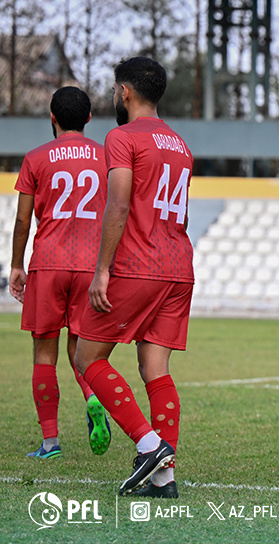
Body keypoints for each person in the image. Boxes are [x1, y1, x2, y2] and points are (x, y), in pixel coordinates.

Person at [73, 57, 194, 500]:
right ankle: (165, 479)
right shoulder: (181, 144)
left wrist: (102, 268)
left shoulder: (121, 136)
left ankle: (149, 446)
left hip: (139, 265)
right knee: (155, 369)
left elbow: (119, 204)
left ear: (125, 92)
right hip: (178, 267)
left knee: (89, 358)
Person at [10, 86, 111, 460]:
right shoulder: (106, 157)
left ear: (51, 117)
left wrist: (17, 265)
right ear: (88, 118)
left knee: (43, 353)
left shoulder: (36, 158)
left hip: (49, 263)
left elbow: (23, 219)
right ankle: (91, 397)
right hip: (90, 265)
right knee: (82, 349)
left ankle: (50, 442)